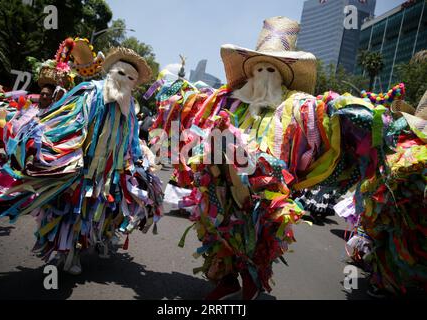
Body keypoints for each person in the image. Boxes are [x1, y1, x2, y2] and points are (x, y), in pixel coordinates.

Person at [149, 16, 403, 300]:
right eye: (260, 68)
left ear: (282, 76)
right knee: (218, 226)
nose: (265, 74)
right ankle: (227, 278)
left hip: (268, 187)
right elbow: (197, 108)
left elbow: (325, 113)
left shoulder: (296, 103)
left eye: (272, 69)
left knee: (260, 234)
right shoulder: (231, 98)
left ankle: (252, 281)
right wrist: (176, 100)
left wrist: (347, 110)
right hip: (222, 183)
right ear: (250, 73)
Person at [0, 47, 164, 276]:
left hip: (105, 176)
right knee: (65, 209)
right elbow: (64, 120)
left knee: (94, 214)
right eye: (121, 73)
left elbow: (130, 140)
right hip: (75, 165)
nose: (125, 80)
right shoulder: (90, 92)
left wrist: (137, 158)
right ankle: (22, 209)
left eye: (131, 78)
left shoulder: (129, 110)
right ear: (111, 72)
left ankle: (83, 246)